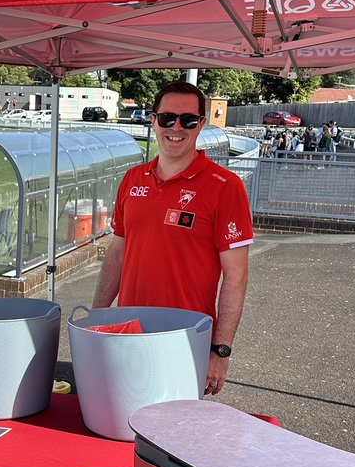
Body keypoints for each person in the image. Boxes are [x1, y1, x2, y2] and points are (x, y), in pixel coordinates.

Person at [93, 80, 253, 396]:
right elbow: (117, 255)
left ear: (201, 125)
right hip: (129, 332)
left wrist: (220, 351)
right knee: (122, 429)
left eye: (187, 120)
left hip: (185, 340)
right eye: (167, 118)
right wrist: (97, 319)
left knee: (172, 436)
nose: (175, 128)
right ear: (153, 121)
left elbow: (237, 277)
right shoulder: (133, 179)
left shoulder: (225, 187)